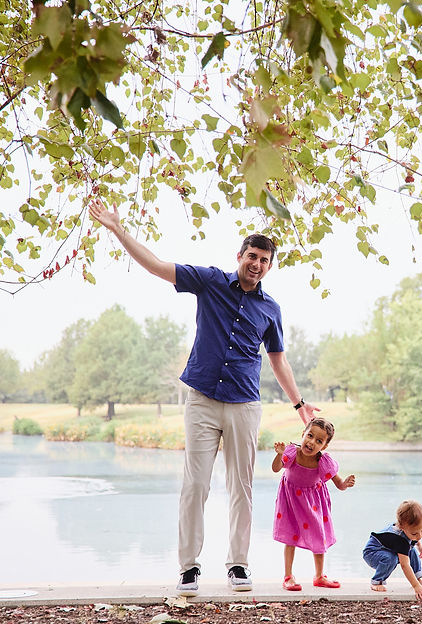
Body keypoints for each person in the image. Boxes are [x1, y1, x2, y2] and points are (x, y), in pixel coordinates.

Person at [87, 199, 319, 594]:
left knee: (242, 487)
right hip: (202, 400)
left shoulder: (271, 309)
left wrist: (300, 405)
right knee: (196, 485)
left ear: (269, 265)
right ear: (240, 256)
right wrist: (117, 230)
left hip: (245, 404)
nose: (257, 264)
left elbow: (279, 361)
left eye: (265, 259)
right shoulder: (210, 281)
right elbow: (158, 266)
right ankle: (189, 567)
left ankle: (238, 565)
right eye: (252, 256)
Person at [271, 417, 356, 591]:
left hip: (314, 503)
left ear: (324, 446)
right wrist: (279, 454)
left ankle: (319, 576)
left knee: (319, 536)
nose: (311, 442)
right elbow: (276, 468)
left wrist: (345, 483)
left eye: (319, 441)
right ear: (303, 434)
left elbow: (338, 484)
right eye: (309, 436)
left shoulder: (323, 461)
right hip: (291, 500)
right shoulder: (292, 453)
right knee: (290, 536)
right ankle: (288, 576)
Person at [362, 500, 422, 600]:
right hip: (372, 553)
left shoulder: (408, 531)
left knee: (412, 551)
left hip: (386, 549)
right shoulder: (399, 539)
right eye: (414, 534)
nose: (419, 536)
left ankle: (418, 578)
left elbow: (412, 539)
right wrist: (416, 587)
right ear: (402, 527)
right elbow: (405, 565)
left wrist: (419, 545)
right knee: (391, 558)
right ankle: (377, 581)